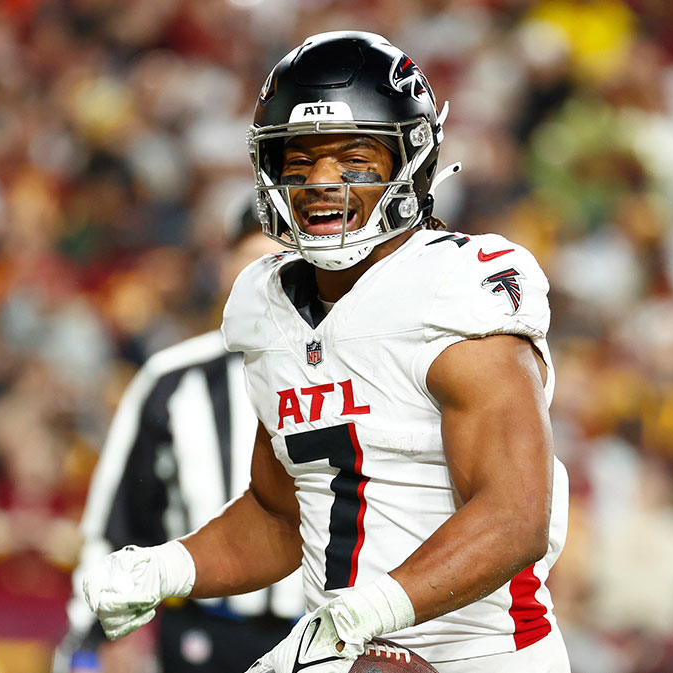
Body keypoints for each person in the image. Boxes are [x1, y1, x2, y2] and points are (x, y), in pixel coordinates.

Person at [83, 31, 570, 673]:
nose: (320, 182)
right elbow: (280, 517)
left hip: (483, 658)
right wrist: (164, 568)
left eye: (353, 158)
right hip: (343, 653)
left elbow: (513, 518)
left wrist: (360, 615)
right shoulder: (266, 307)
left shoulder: (455, 291)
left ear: (411, 160)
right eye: (300, 160)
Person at [57, 207, 303, 672]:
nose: (268, 279)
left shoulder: (352, 374)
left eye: (283, 262)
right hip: (203, 632)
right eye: (253, 262)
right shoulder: (172, 379)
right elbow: (119, 521)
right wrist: (87, 637)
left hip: (320, 633)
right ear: (226, 269)